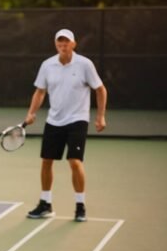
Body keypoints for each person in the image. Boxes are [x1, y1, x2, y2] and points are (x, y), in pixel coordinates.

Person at [25, 28, 107, 222]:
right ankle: (45, 203)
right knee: (46, 161)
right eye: (59, 42)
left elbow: (101, 90)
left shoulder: (85, 64)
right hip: (54, 120)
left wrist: (101, 116)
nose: (63, 45)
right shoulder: (47, 65)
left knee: (74, 161)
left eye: (66, 42)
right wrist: (31, 112)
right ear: (56, 44)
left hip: (78, 119)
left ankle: (80, 206)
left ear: (73, 44)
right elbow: (40, 92)